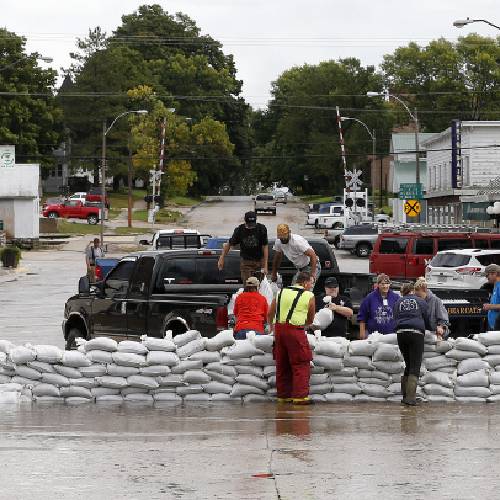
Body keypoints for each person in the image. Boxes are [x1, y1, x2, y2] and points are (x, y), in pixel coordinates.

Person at [268, 271, 316, 405]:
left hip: (279, 330)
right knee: (301, 363)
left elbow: (270, 313)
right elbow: (310, 319)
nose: (311, 286)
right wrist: (303, 323)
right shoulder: (309, 295)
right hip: (295, 331)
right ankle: (300, 397)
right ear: (305, 283)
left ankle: (283, 396)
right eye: (311, 283)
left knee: (282, 363)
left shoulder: (280, 292)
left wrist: (272, 327)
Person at [393, 282, 431, 406]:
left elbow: (395, 317)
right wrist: (431, 329)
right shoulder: (420, 301)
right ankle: (410, 398)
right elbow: (426, 317)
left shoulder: (398, 302)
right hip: (416, 334)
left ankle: (405, 396)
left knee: (408, 365)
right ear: (413, 291)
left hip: (401, 334)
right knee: (415, 366)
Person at [218, 211, 268, 283]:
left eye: (252, 224)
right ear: (245, 220)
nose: (250, 226)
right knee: (249, 285)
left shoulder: (261, 229)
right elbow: (229, 244)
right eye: (249, 224)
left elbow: (265, 247)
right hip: (246, 263)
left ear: (256, 220)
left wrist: (265, 266)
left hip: (259, 262)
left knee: (259, 285)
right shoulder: (240, 230)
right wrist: (222, 257)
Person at [357, 273, 399, 339]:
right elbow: (362, 316)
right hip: (373, 336)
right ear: (378, 285)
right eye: (382, 284)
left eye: (387, 283)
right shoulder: (369, 298)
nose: (385, 286)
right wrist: (362, 333)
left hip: (392, 335)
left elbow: (401, 315)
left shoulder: (396, 297)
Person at [482, 264, 500, 330]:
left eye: (487, 275)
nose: (487, 278)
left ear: (494, 274)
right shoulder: (495, 286)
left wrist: (490, 307)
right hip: (494, 326)